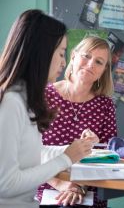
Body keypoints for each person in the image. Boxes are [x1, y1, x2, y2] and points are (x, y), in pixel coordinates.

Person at [0, 9, 96, 208]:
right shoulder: (10, 103)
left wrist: (75, 150)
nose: (64, 62)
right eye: (61, 53)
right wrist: (65, 158)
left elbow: (31, 153)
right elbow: (6, 185)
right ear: (41, 52)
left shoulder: (25, 98)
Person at [37, 36, 118, 207]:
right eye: (86, 56)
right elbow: (26, 153)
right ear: (73, 56)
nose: (90, 65)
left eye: (98, 62)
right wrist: (61, 185)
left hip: (87, 191)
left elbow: (109, 154)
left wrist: (79, 186)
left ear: (104, 70)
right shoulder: (43, 95)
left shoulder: (105, 105)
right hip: (45, 187)